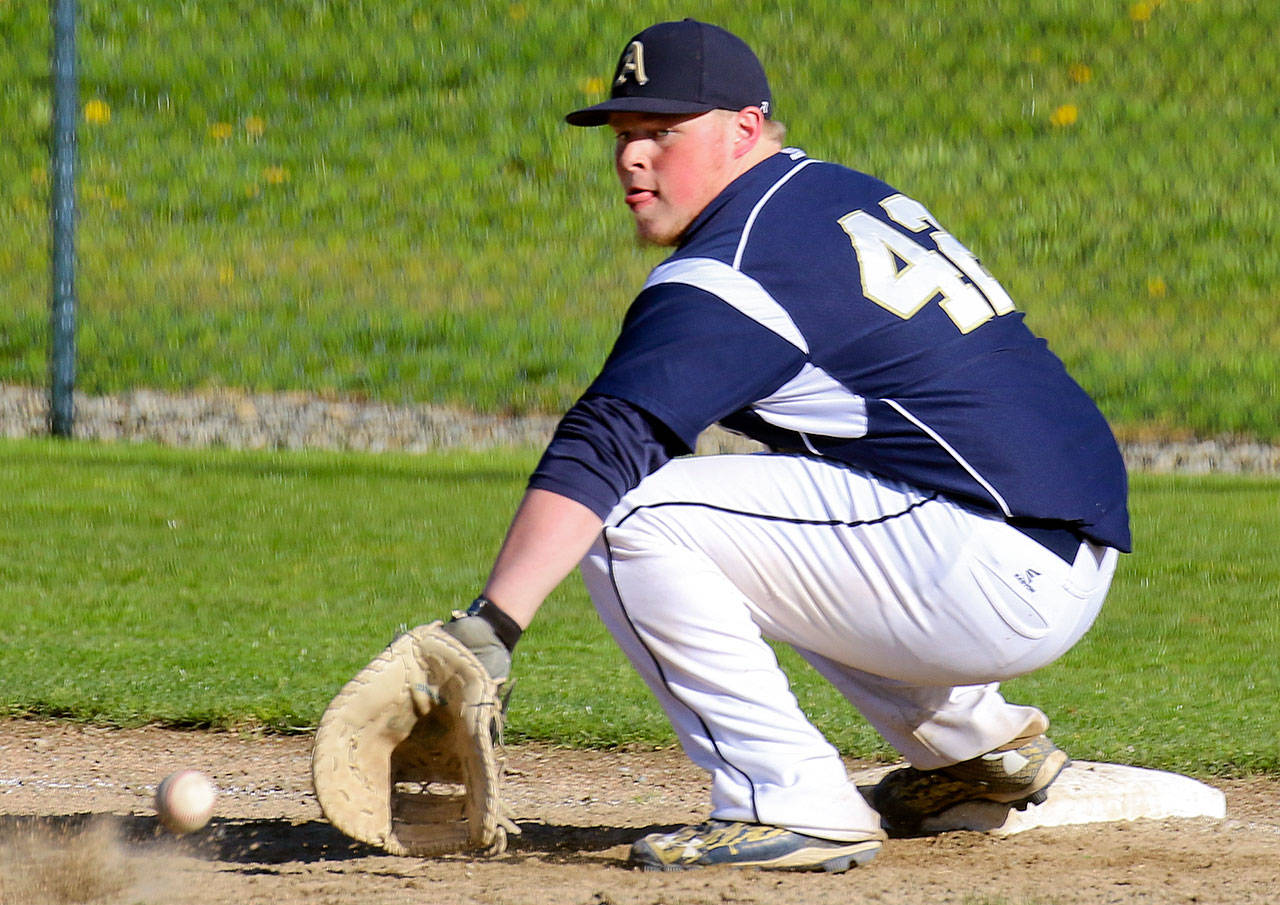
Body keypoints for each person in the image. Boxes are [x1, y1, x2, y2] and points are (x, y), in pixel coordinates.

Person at [442, 18, 1129, 872]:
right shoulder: (833, 195)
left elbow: (609, 437)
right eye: (625, 135)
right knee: (772, 508)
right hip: (1040, 544)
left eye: (663, 131)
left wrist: (494, 624)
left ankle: (785, 798)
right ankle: (975, 753)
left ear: (744, 127)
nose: (632, 157)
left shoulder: (738, 263)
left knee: (635, 514)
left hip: (983, 566)